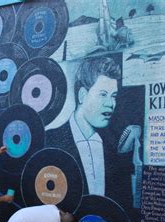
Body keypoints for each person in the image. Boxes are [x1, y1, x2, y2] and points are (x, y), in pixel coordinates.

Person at [46, 57, 121, 196]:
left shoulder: (112, 145)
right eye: (103, 94)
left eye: (114, 96)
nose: (111, 103)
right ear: (82, 95)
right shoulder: (49, 141)